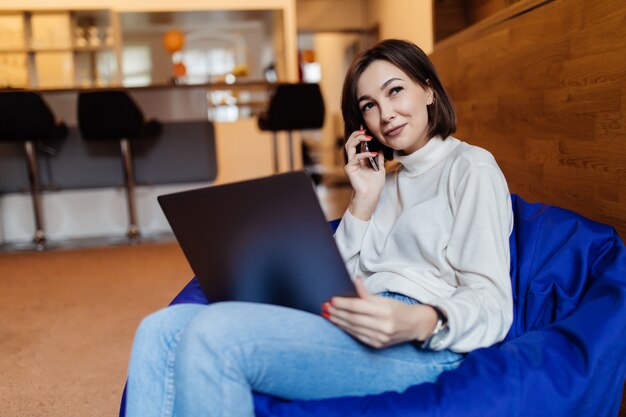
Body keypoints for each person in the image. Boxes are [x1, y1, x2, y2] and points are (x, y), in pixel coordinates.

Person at [125, 39, 513, 417]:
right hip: (354, 316)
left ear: (428, 90)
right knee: (159, 329)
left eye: (395, 91)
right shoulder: (382, 183)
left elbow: (492, 301)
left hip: (423, 344)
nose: (386, 114)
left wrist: (421, 320)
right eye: (369, 106)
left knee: (215, 336)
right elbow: (330, 277)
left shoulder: (471, 168)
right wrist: (362, 200)